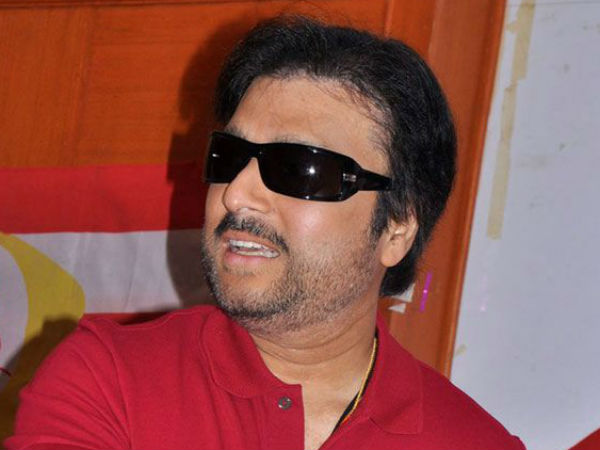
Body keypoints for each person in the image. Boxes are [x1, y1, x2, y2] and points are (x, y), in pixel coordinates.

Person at [5, 15, 524, 450]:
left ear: (397, 227)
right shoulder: (107, 379)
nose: (236, 194)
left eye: (299, 168)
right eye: (229, 157)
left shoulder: (476, 442)